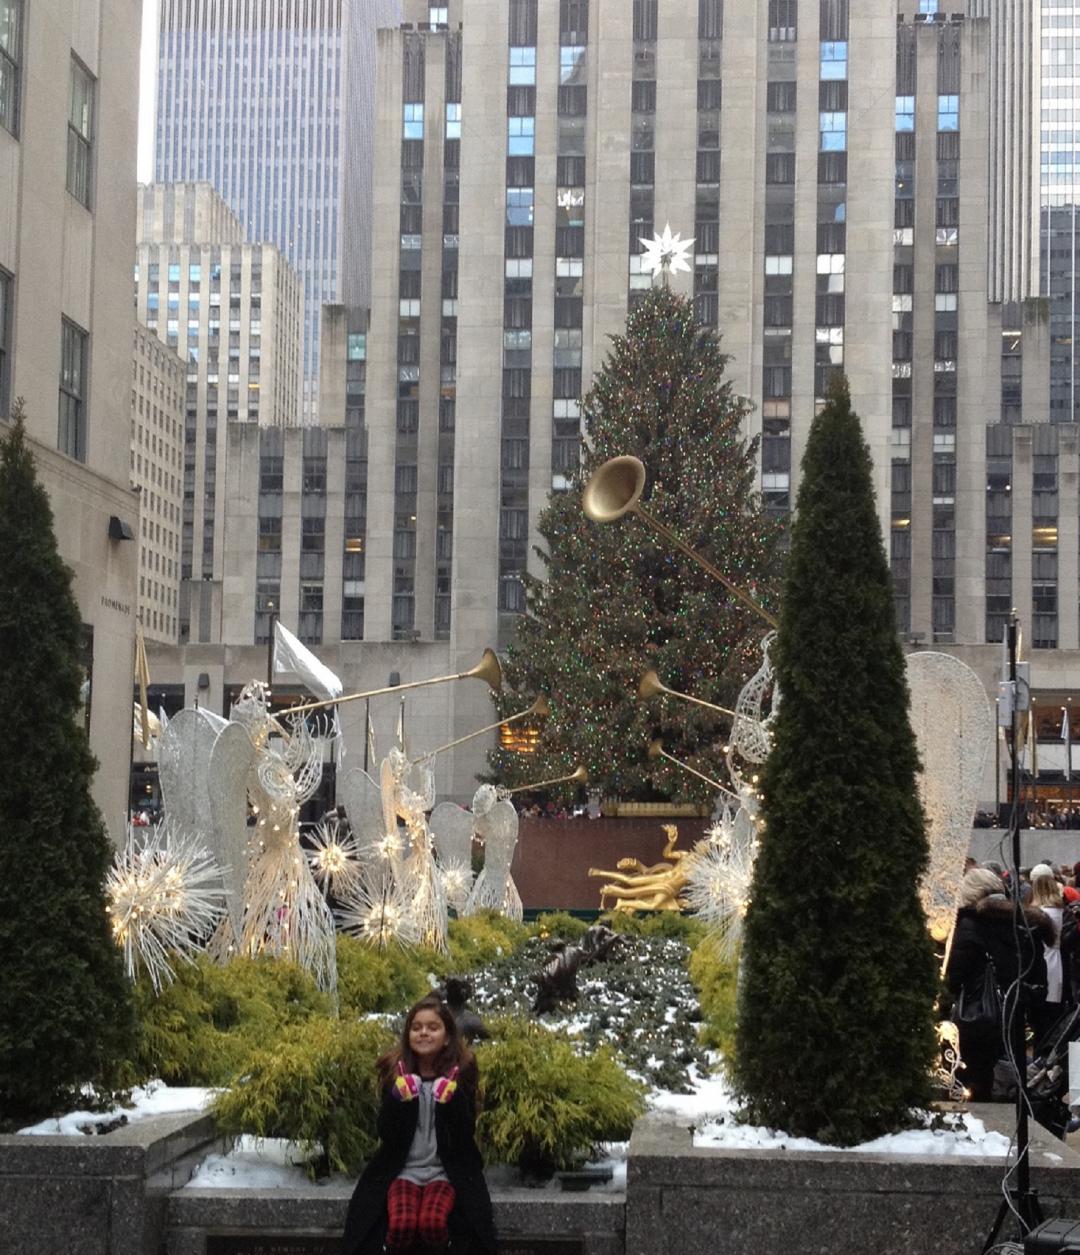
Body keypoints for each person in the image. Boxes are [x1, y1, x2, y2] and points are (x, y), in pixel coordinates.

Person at [342, 994, 496, 1255]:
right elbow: (386, 1133)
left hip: (445, 1172)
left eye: (433, 1027)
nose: (424, 1033)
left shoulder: (462, 1070)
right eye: (417, 1027)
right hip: (402, 1171)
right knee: (401, 1225)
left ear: (447, 1036)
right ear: (408, 1034)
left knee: (433, 1222)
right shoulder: (396, 1071)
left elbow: (465, 1134)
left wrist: (453, 1100)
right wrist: (398, 1100)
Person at [947, 867, 1053, 1102]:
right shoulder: (1025, 926)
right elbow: (1038, 984)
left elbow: (952, 980)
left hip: (973, 1025)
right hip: (1012, 1025)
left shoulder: (967, 927)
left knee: (972, 1093)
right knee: (1006, 1090)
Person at [1029, 863, 1068, 1046]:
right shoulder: (1061, 909)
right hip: (1058, 962)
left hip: (1043, 964)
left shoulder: (1040, 913)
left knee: (1042, 1019)